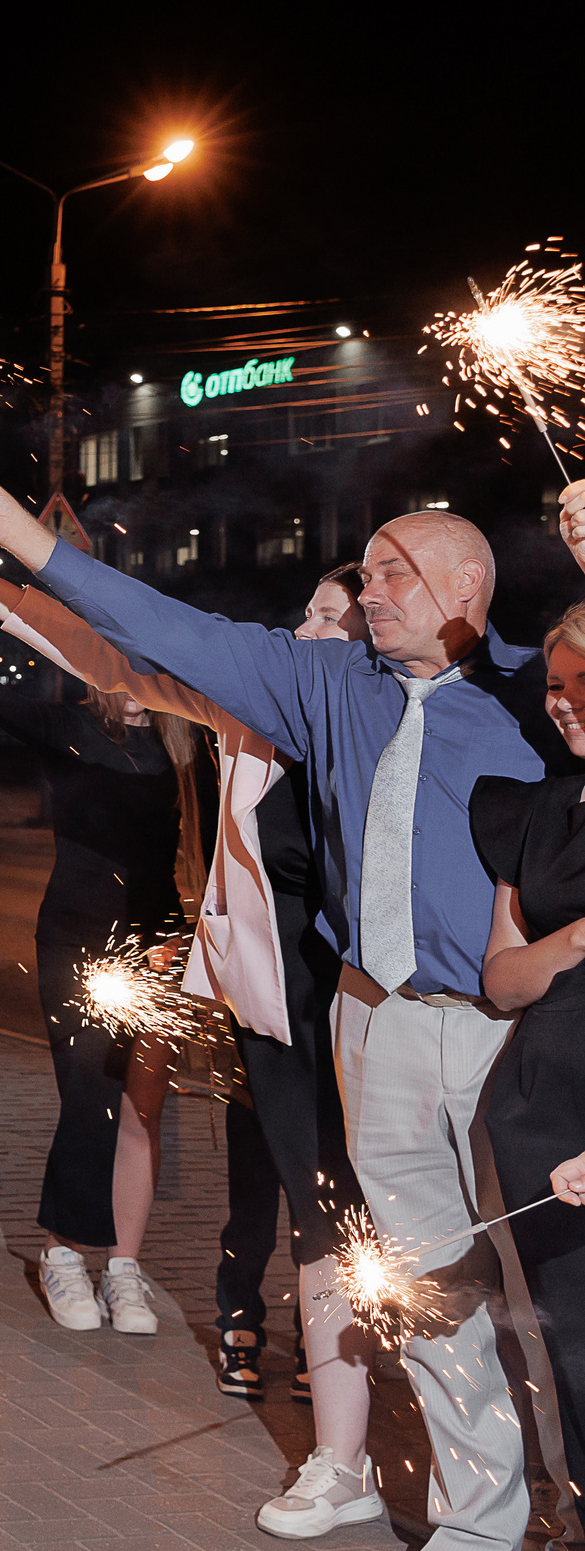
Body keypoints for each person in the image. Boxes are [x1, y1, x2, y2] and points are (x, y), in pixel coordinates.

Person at [0, 474, 544, 1551]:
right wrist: (27, 543)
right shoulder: (326, 685)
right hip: (380, 1020)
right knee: (425, 1277)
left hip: (514, 1034)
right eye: (364, 572)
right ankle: (481, 1520)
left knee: (543, 1275)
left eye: (395, 571)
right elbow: (161, 633)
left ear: (468, 583)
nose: (371, 589)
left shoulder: (534, 691)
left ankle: (556, 1491)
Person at [0, 551, 381, 1534]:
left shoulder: (261, 732)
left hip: (252, 971)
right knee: (117, 1110)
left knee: (182, 1130)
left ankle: (132, 1269)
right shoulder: (128, 723)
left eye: (326, 613)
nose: (303, 628)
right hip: (148, 965)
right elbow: (79, 654)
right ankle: (90, 1263)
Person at [0, 584, 200, 1333]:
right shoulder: (70, 727)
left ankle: (123, 1268)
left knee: (141, 1111)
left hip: (157, 946)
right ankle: (61, 1255)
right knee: (88, 1091)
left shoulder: (185, 741)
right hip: (77, 941)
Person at [475, 601, 585, 1526]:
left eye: (584, 684)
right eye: (555, 686)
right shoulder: (543, 806)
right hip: (538, 1121)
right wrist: (579, 936)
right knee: (575, 1356)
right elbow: (505, 978)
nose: (564, 703)